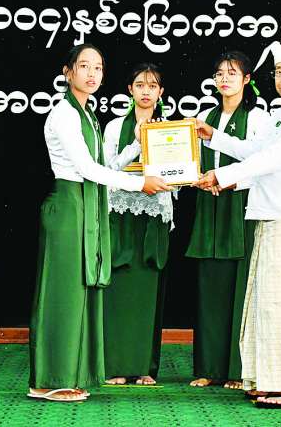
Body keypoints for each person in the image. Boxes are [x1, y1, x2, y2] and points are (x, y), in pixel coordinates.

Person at [194, 39, 281, 409]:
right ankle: (267, 380)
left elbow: (274, 158)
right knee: (266, 303)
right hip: (269, 215)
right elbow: (256, 150)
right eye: (279, 72)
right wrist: (214, 136)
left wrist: (222, 176)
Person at [28, 45, 171, 403]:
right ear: (68, 72)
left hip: (87, 204)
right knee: (61, 295)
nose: (92, 74)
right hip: (69, 203)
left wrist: (136, 148)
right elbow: (87, 169)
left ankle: (70, 375)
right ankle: (46, 381)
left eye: (98, 68)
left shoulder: (87, 114)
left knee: (80, 291)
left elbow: (105, 166)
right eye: (84, 66)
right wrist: (140, 184)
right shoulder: (65, 114)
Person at [187, 51, 269, 390]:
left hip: (241, 204)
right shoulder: (204, 116)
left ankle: (238, 370)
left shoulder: (259, 117)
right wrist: (190, 176)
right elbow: (189, 160)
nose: (225, 79)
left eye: (232, 73)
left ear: (247, 79)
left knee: (240, 287)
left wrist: (230, 180)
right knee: (210, 284)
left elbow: (261, 161)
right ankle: (209, 368)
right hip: (209, 204)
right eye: (220, 73)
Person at [103, 63, 173, 386]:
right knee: (119, 286)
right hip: (121, 214)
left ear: (161, 92)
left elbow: (178, 176)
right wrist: (137, 143)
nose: (146, 91)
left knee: (148, 288)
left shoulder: (171, 128)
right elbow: (108, 171)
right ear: (130, 89)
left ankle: (145, 367)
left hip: (153, 216)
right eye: (140, 85)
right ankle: (116, 366)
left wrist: (174, 178)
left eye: (152, 86)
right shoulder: (115, 127)